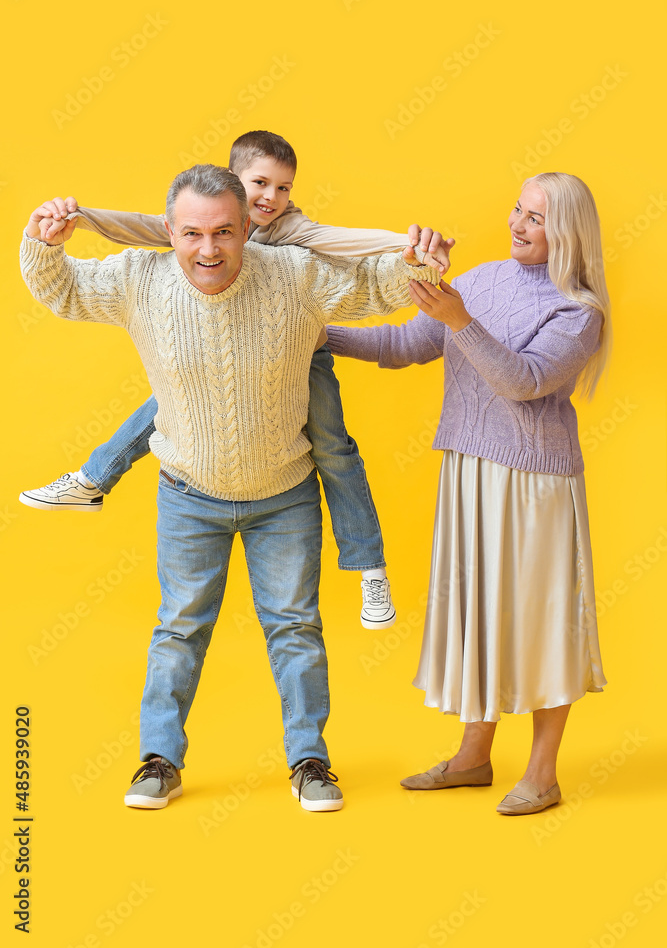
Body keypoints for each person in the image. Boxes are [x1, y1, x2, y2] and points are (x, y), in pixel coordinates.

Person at [20, 163, 443, 812]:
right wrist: (44, 241)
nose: (208, 249)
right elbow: (62, 290)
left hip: (285, 495)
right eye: (191, 234)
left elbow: (369, 290)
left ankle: (310, 764)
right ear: (170, 231)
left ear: (248, 227)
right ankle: (158, 761)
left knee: (296, 628)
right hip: (189, 494)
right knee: (179, 629)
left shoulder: (293, 276)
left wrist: (415, 263)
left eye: (223, 232)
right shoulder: (140, 279)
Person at [18, 130, 453, 631]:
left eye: (283, 188)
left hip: (302, 359)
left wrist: (411, 254)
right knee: (170, 404)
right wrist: (74, 221)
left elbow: (354, 258)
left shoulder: (294, 235)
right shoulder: (203, 222)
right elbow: (138, 230)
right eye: (260, 184)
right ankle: (93, 479)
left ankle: (369, 568)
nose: (271, 197)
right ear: (232, 185)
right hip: (221, 390)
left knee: (334, 451)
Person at [326, 172, 610, 816]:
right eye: (518, 208)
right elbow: (402, 346)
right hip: (469, 472)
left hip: (535, 480)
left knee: (542, 622)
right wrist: (319, 334)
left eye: (536, 217)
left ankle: (543, 771)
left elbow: (524, 381)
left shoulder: (579, 311)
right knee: (479, 615)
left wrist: (459, 318)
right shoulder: (481, 278)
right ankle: (473, 757)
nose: (517, 223)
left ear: (568, 232)